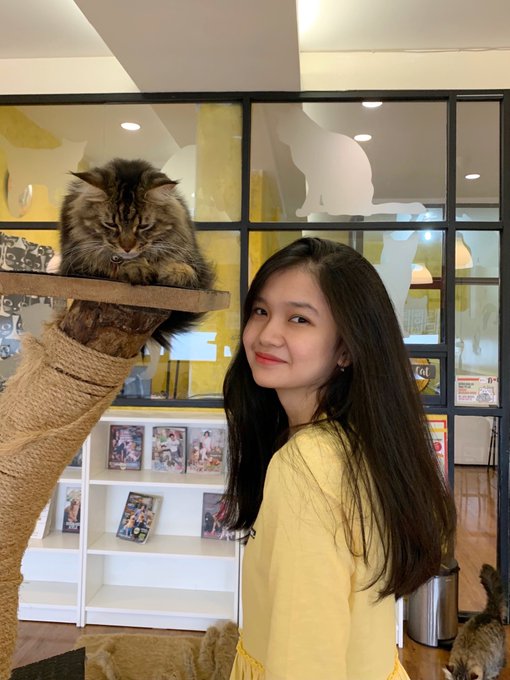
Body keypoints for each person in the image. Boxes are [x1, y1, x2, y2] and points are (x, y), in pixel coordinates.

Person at [222, 237, 456, 680]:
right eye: (261, 311)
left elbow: (304, 662)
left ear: (346, 348)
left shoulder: (305, 467)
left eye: (299, 318)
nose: (266, 334)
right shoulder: (358, 442)